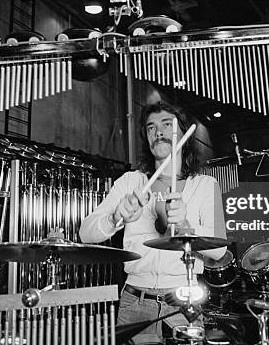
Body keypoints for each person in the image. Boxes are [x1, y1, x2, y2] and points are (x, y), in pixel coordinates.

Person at [79, 100, 227, 344]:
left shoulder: (205, 185)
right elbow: (86, 234)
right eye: (150, 127)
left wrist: (184, 226)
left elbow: (219, 250)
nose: (158, 132)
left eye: (167, 124)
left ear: (183, 134)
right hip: (134, 300)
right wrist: (116, 217)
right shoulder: (130, 182)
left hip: (183, 301)